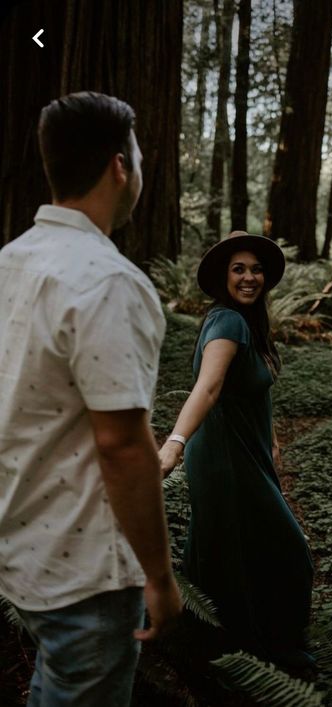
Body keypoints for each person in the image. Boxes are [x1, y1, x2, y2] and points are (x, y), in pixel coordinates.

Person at [0, 92, 182, 706]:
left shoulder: (10, 263)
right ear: (119, 166)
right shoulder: (107, 283)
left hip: (19, 549)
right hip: (86, 574)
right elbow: (124, 446)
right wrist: (159, 576)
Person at [159, 231, 315, 670]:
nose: (250, 278)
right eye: (239, 269)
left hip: (246, 451)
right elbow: (207, 389)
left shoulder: (246, 322)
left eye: (256, 269)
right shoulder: (228, 321)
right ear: (223, 276)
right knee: (288, 552)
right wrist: (174, 443)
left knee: (237, 543)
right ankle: (248, 648)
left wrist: (270, 441)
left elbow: (247, 394)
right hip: (223, 456)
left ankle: (225, 638)